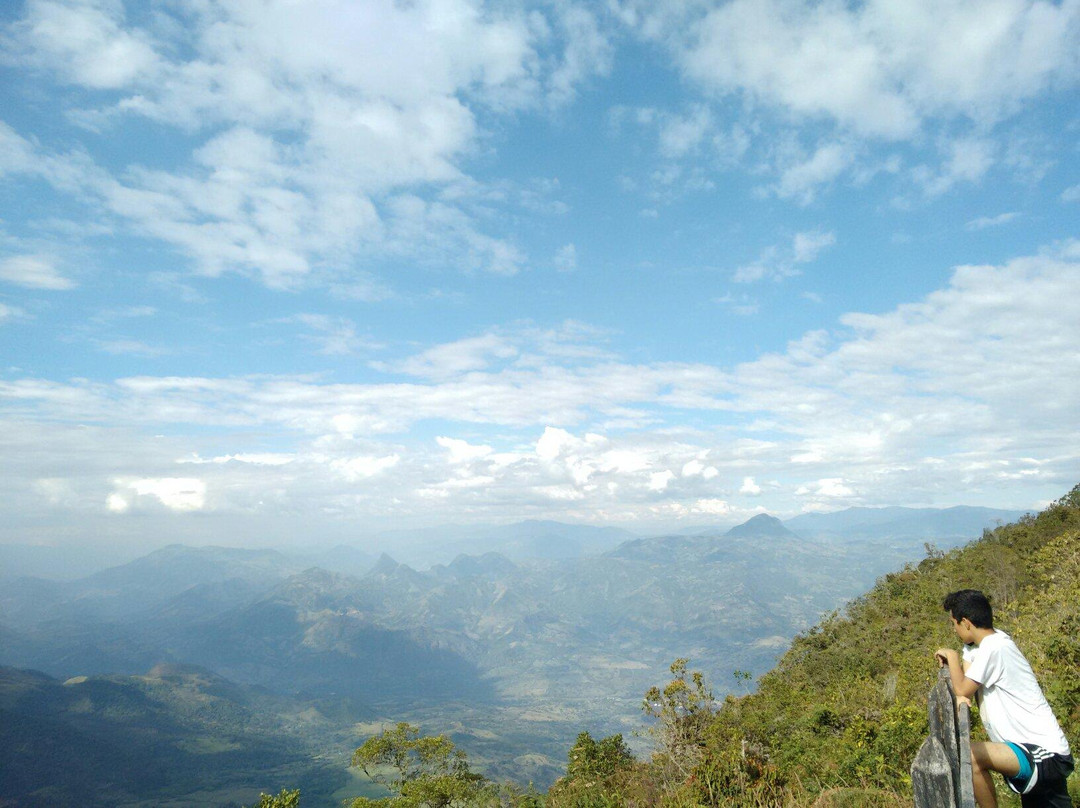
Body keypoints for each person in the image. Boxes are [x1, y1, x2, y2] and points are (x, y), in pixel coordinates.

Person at [935, 589, 1074, 808]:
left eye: (954, 624)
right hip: (1033, 750)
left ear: (966, 622)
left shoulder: (995, 648)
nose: (954, 629)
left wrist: (950, 657)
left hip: (1045, 754)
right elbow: (969, 668)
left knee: (971, 755)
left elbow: (962, 688)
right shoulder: (989, 644)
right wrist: (963, 653)